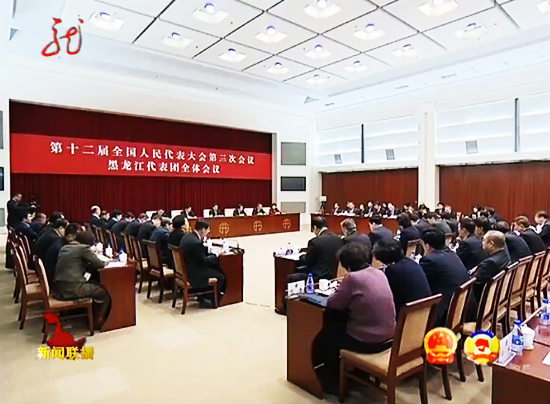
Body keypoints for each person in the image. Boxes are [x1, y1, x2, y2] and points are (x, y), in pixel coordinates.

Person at [317, 243, 395, 394]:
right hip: (389, 337)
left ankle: (332, 384)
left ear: (346, 264)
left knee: (327, 338)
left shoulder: (353, 278)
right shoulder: (379, 272)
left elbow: (334, 303)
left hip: (368, 341)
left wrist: (339, 290)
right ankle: (355, 372)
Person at [53, 231, 111, 329]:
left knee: (94, 282)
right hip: (72, 288)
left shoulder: (65, 247)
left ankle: (89, 315)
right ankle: (97, 322)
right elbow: (99, 264)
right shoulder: (83, 248)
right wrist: (107, 261)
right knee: (103, 293)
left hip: (59, 288)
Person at [420, 228, 471, 326]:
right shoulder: (451, 254)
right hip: (463, 307)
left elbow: (421, 284)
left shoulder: (429, 260)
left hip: (446, 312)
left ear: (427, 246)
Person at [374, 239, 431, 318]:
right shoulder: (411, 262)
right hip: (424, 314)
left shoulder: (393, 270)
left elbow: (388, 297)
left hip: (406, 315)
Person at [179, 220, 226, 306]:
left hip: (186, 269)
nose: (208, 232)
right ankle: (211, 299)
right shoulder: (196, 243)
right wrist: (217, 254)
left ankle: (205, 296)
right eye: (208, 230)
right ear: (203, 230)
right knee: (221, 276)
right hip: (194, 274)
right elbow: (205, 261)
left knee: (214, 268)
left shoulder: (188, 236)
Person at [294, 216, 343, 281]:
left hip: (316, 276)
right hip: (332, 276)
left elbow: (308, 260)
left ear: (315, 227)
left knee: (291, 277)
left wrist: (301, 256)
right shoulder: (337, 238)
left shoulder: (315, 242)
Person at [473, 231, 511, 303]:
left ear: (491, 244)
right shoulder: (505, 255)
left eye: (484, 240)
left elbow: (475, 284)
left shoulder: (490, 263)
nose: (482, 243)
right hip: (498, 294)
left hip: (483, 300)